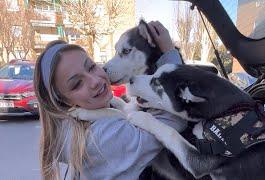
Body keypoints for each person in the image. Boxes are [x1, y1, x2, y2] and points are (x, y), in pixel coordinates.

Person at [34, 21, 186, 180]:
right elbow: (174, 121)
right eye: (77, 84)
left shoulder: (80, 122)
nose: (95, 81)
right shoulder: (101, 139)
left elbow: (125, 114)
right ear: (62, 101)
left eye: (91, 67)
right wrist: (169, 51)